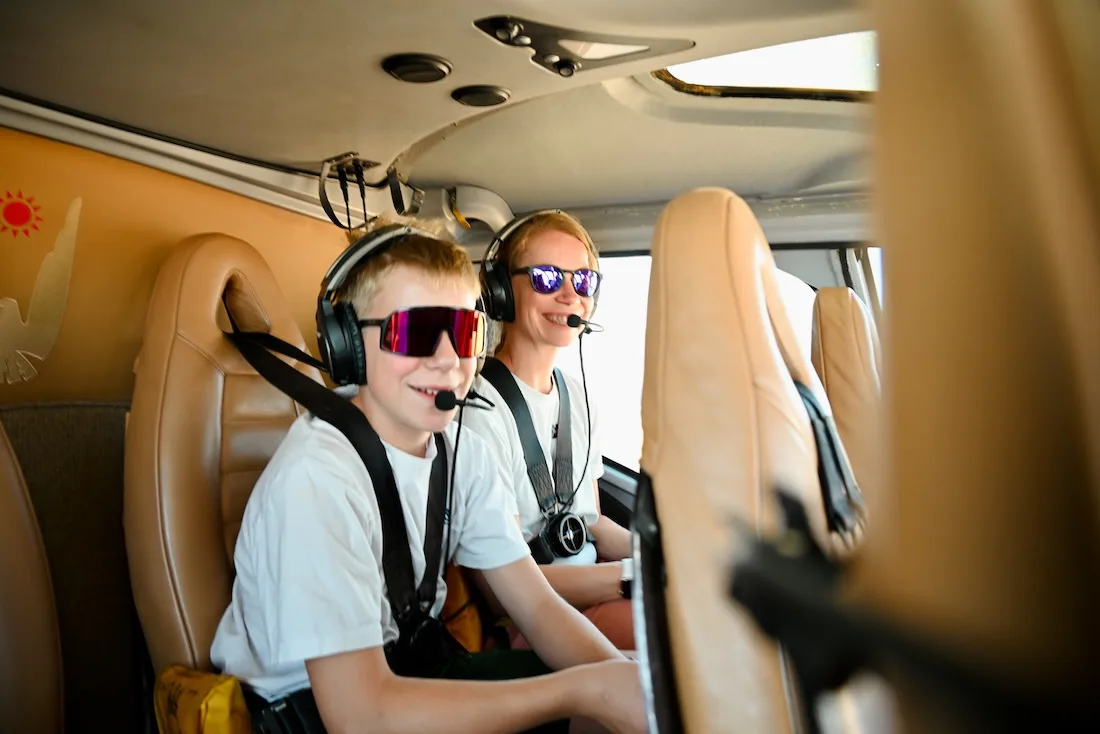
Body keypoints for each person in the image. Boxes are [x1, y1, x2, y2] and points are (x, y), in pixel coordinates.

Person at [209, 216, 645, 734]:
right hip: (309, 712)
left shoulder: (462, 451)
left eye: (462, 332)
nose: (447, 361)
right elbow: (360, 715)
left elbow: (537, 606)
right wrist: (580, 689)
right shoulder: (317, 480)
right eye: (413, 332)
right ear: (349, 345)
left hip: (415, 668)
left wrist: (621, 678)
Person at [461, 210, 635, 650]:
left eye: (582, 281)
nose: (568, 295)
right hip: (533, 620)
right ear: (501, 291)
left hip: (593, 595)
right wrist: (630, 580)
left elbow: (592, 524)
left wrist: (665, 558)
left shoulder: (574, 394)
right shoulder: (479, 409)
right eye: (544, 277)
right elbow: (501, 589)